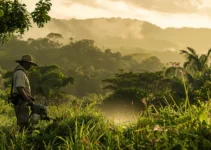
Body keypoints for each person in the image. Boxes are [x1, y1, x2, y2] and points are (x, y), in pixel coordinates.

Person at [12, 54, 37, 132]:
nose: (30, 66)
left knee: (23, 122)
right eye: (29, 64)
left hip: (21, 100)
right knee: (23, 123)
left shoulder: (20, 72)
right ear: (24, 63)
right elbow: (19, 88)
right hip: (21, 101)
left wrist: (29, 97)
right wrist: (28, 99)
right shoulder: (21, 73)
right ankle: (22, 139)